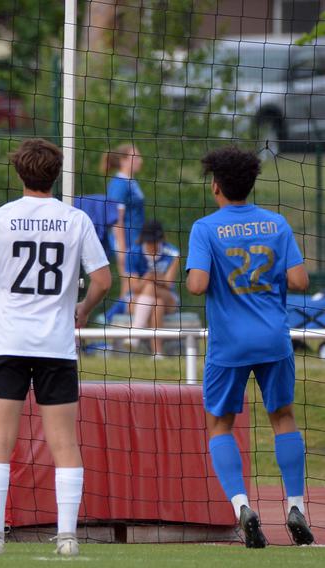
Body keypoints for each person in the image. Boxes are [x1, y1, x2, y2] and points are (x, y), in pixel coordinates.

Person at [0, 139, 111, 556]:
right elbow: (101, 279)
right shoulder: (75, 219)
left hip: (8, 345)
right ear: (56, 174)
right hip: (56, 347)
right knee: (64, 442)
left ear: (19, 173)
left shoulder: (0, 218)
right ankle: (67, 538)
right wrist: (82, 308)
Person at [185, 146, 314, 548]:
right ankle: (296, 506)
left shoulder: (205, 228)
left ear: (215, 186)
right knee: (283, 418)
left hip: (230, 345)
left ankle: (243, 507)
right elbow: (299, 281)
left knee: (220, 424)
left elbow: (197, 285)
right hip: (274, 339)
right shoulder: (275, 223)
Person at [125, 219, 180, 356]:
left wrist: (152, 279)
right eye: (148, 241)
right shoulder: (132, 253)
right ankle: (158, 353)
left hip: (168, 298)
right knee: (157, 304)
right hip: (136, 299)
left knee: (152, 289)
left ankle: (135, 334)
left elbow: (168, 284)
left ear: (162, 239)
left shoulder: (173, 253)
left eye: (154, 241)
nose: (151, 245)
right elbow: (135, 287)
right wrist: (148, 278)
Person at [104, 144, 144, 299]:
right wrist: (121, 248)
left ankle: (118, 319)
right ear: (123, 160)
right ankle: (110, 319)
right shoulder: (119, 184)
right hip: (125, 242)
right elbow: (116, 220)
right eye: (136, 156)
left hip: (135, 241)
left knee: (134, 289)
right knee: (131, 289)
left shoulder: (131, 182)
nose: (140, 160)